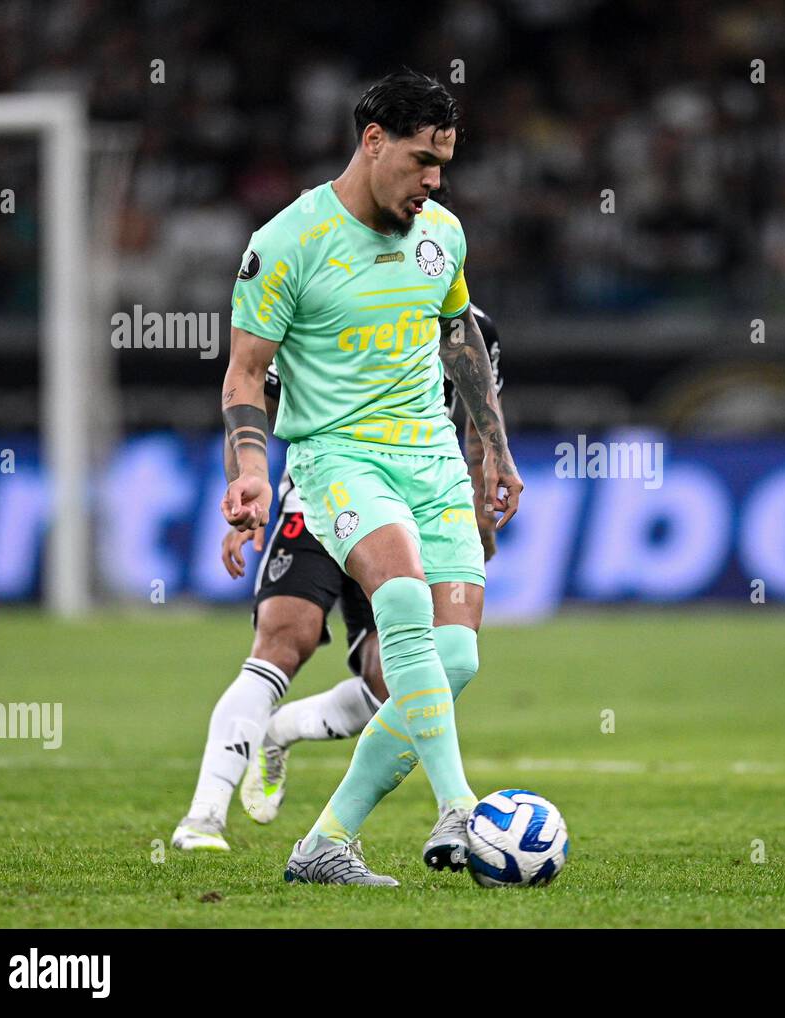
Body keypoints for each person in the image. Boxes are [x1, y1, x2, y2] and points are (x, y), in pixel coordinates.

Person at [218, 69, 521, 886]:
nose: (432, 181)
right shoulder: (287, 242)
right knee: (404, 605)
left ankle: (323, 844)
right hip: (339, 458)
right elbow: (246, 376)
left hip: (431, 460)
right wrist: (251, 471)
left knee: (454, 660)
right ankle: (460, 807)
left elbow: (460, 339)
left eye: (443, 168)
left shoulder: (442, 236)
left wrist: (491, 449)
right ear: (373, 141)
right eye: (421, 161)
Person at [171, 304, 504, 852]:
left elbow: (475, 418)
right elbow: (249, 391)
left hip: (416, 508)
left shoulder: (473, 330)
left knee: (401, 683)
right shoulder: (329, 305)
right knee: (283, 641)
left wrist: (479, 510)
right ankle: (203, 817)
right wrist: (242, 495)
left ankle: (281, 732)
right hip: (325, 497)